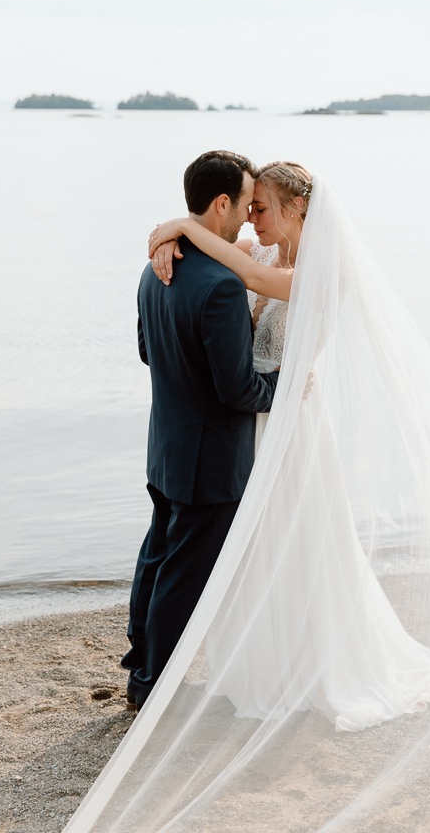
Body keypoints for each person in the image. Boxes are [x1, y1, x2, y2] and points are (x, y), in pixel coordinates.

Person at [66, 168, 430, 833]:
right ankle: (259, 669)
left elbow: (247, 281)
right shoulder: (265, 253)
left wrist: (184, 228)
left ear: (299, 209)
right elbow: (225, 264)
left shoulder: (313, 275)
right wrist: (168, 242)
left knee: (297, 550)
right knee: (255, 555)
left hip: (294, 430)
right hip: (255, 427)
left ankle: (307, 666)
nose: (254, 223)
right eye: (247, 211)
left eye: (265, 210)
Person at [122, 150, 279, 712]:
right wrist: (284, 385)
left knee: (158, 556)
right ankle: (153, 685)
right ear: (221, 203)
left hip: (165, 447)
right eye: (243, 204)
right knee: (184, 575)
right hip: (209, 459)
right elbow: (238, 390)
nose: (246, 217)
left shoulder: (158, 267)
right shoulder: (222, 288)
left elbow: (147, 351)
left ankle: (139, 661)